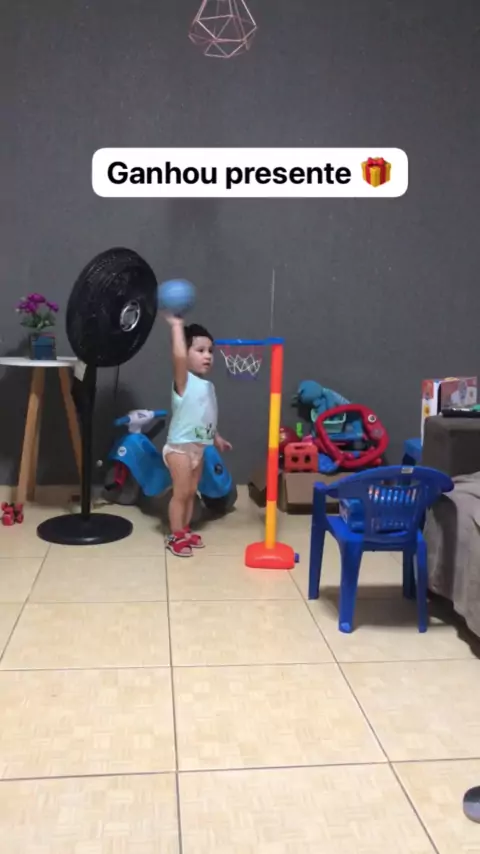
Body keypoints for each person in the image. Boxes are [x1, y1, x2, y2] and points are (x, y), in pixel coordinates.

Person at [162, 314, 232, 557]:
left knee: (192, 493)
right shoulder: (184, 381)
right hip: (179, 448)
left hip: (198, 449)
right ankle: (175, 535)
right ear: (187, 352)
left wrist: (216, 438)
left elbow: (205, 417)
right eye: (200, 350)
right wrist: (177, 327)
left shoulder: (208, 386)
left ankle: (185, 530)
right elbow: (178, 357)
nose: (207, 356)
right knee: (181, 493)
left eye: (210, 351)